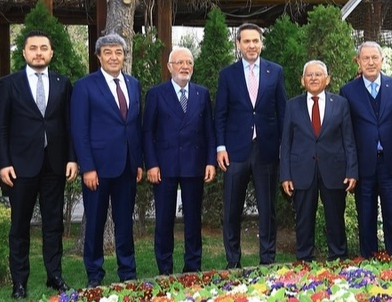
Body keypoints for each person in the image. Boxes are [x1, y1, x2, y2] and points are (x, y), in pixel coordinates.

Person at [0, 30, 76, 298]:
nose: (39, 52)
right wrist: (3, 162)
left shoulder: (63, 83)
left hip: (54, 165)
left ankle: (54, 275)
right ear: (24, 53)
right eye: (33, 48)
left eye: (44, 48)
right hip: (20, 167)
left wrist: (72, 158)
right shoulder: (9, 84)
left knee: (54, 224)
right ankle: (19, 281)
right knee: (19, 226)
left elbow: (69, 124)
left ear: (51, 53)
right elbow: (1, 127)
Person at [70, 33, 144, 284]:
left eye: (118, 52)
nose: (114, 57)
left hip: (127, 166)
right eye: (108, 52)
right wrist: (87, 167)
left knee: (124, 223)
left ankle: (127, 272)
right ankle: (94, 274)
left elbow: (135, 126)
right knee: (95, 224)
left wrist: (139, 162)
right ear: (99, 56)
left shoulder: (134, 84)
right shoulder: (84, 86)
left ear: (124, 56)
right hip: (97, 170)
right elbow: (80, 130)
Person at [214, 23, 287, 268]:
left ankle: (267, 260)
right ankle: (233, 261)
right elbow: (220, 114)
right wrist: (220, 147)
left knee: (268, 210)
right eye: (247, 41)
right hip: (235, 152)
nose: (252, 45)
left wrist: (282, 148)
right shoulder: (227, 74)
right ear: (238, 44)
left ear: (261, 43)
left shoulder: (274, 72)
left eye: (256, 41)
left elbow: (282, 111)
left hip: (266, 150)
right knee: (232, 210)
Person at [142, 47, 216, 274]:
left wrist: (210, 161)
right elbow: (147, 132)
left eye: (189, 63)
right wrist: (151, 164)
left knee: (193, 219)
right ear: (170, 67)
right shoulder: (156, 94)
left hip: (194, 165)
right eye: (180, 62)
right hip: (164, 167)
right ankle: (164, 268)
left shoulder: (201, 94)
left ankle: (192, 267)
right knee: (164, 220)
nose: (185, 67)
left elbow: (209, 131)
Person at [280, 60, 357, 260]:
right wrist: (285, 175)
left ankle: (338, 259)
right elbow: (286, 143)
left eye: (318, 74)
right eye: (309, 75)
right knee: (304, 220)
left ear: (327, 79)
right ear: (302, 80)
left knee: (335, 219)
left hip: (334, 171)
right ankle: (304, 260)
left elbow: (348, 140)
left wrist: (351, 171)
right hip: (302, 171)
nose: (313, 78)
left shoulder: (340, 104)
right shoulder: (292, 105)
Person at [340, 41, 392, 257]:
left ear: (382, 60)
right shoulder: (348, 91)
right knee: (366, 218)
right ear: (358, 62)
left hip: (391, 165)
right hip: (364, 166)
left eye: (374, 58)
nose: (370, 62)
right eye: (365, 58)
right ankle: (368, 264)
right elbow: (346, 133)